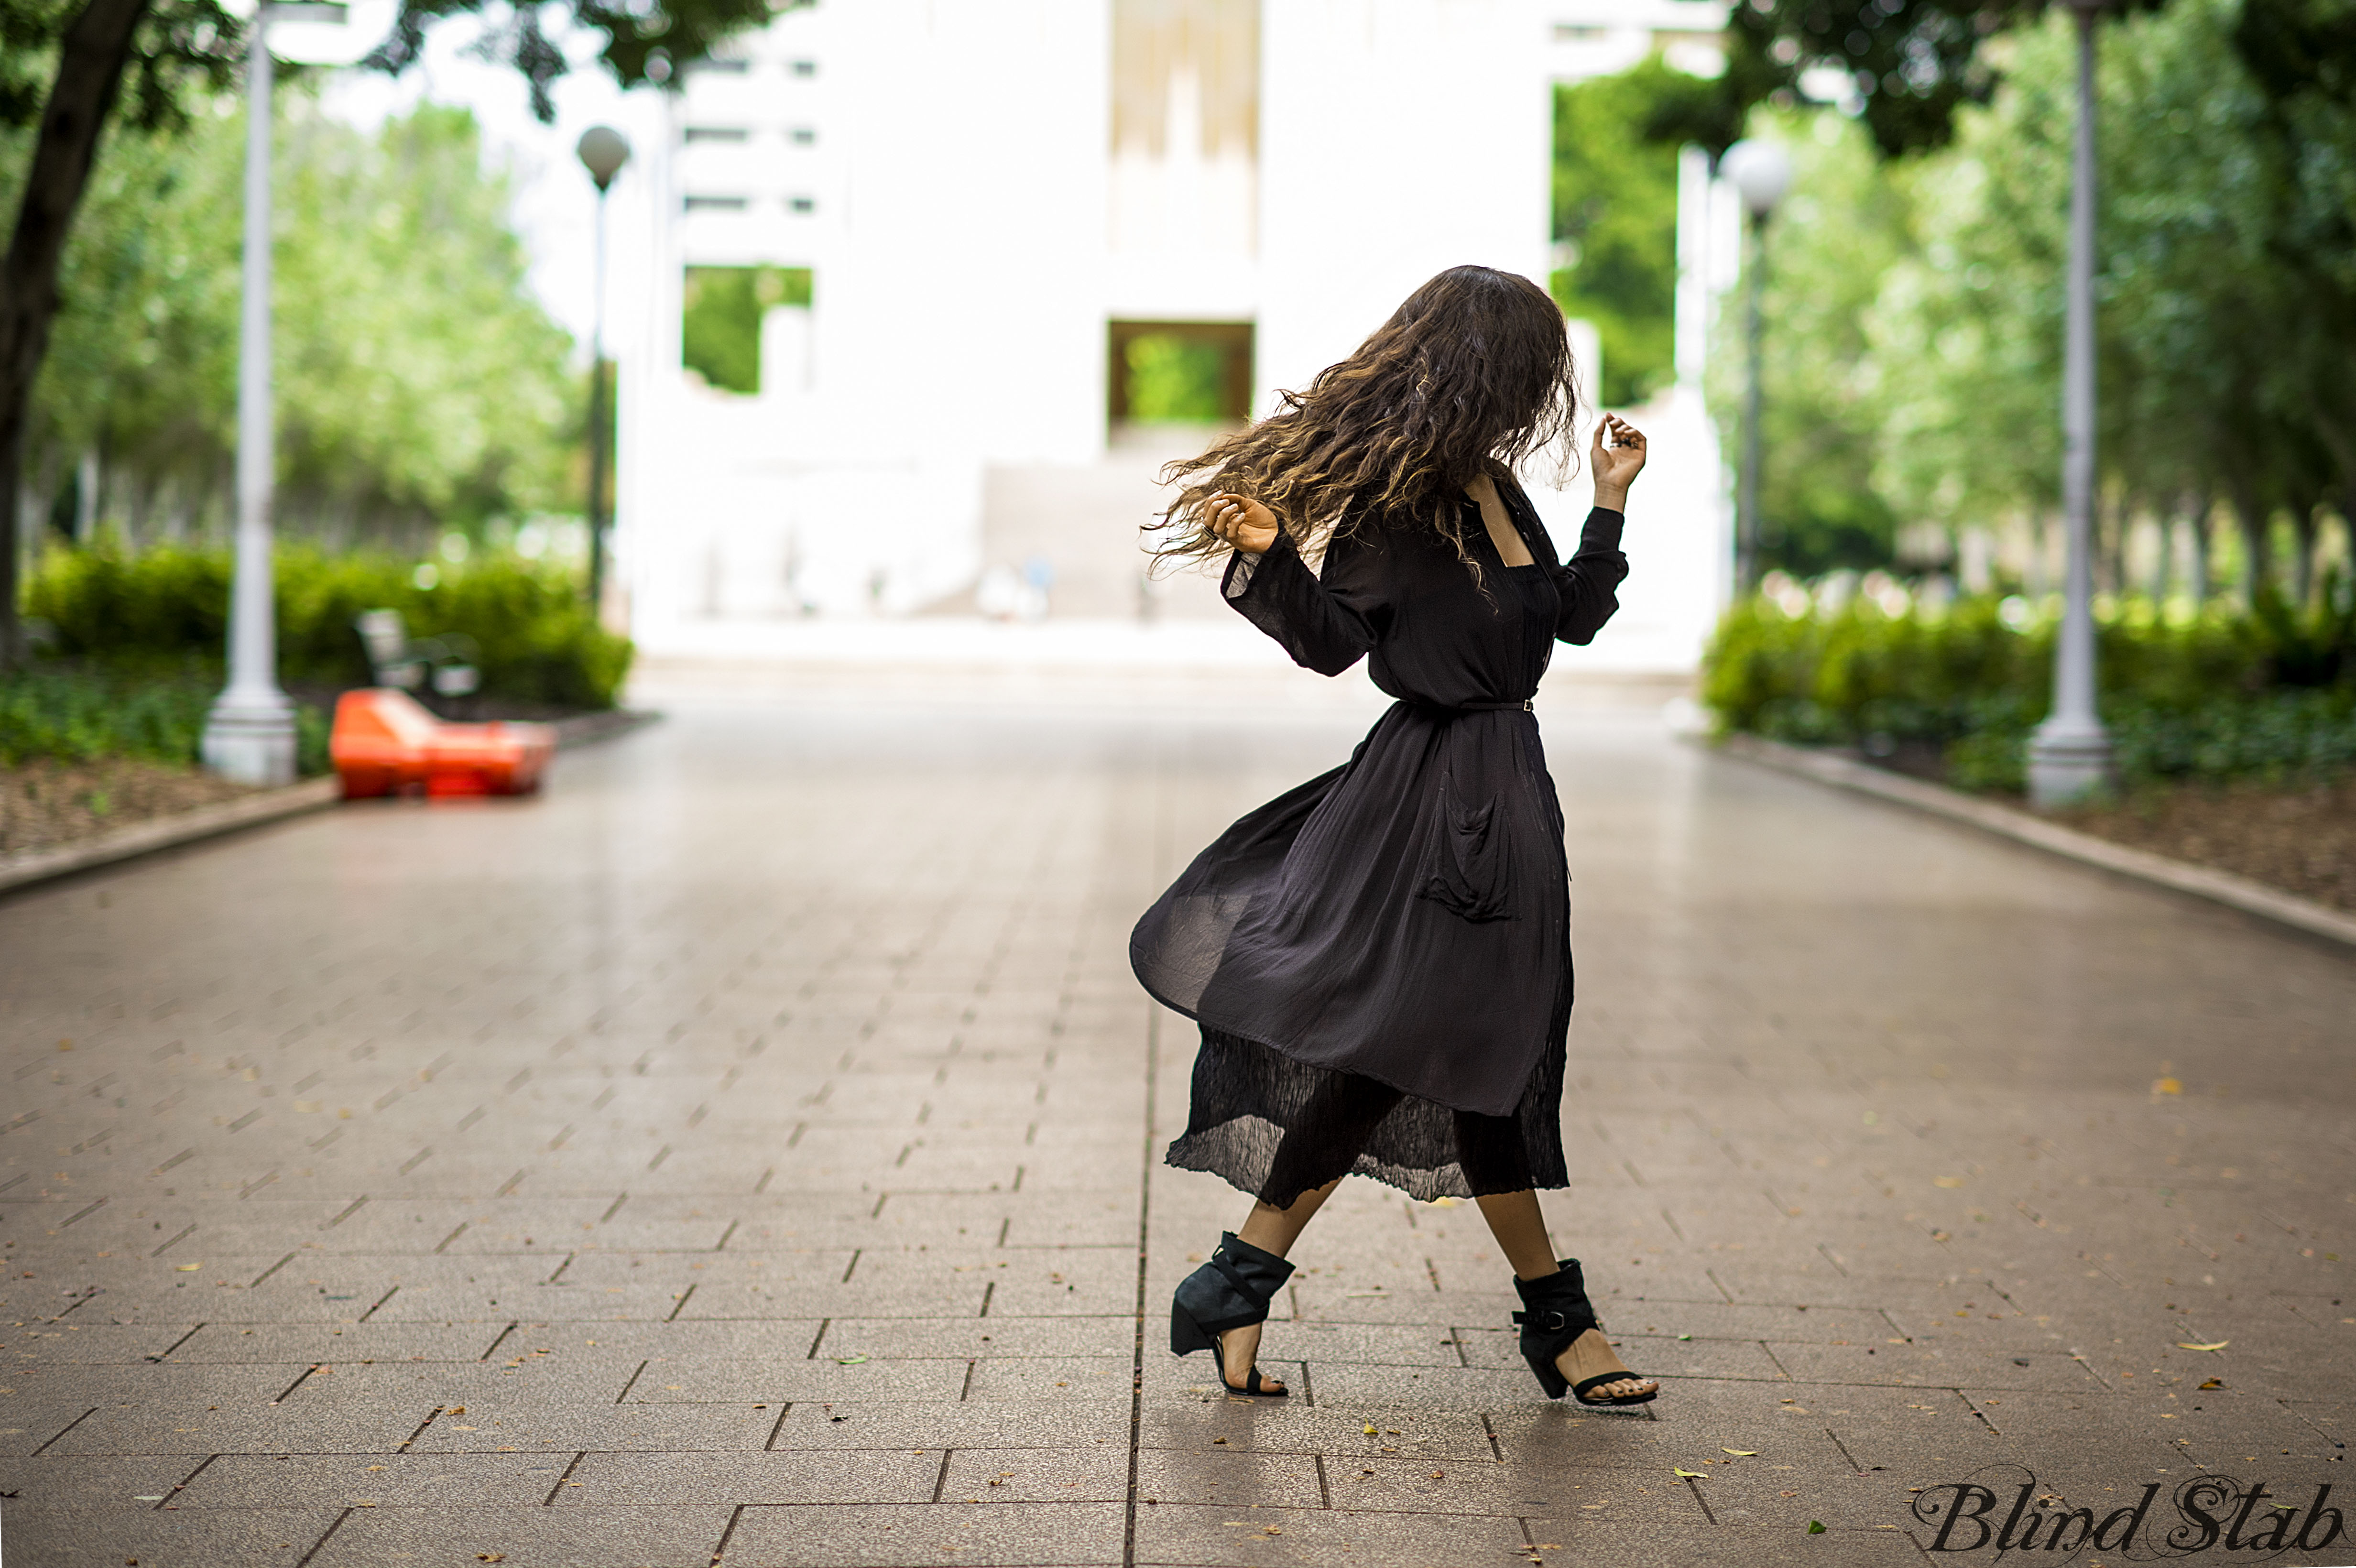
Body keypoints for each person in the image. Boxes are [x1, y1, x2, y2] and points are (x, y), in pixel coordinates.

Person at [1130, 265, 1658, 1408]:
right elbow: (1329, 646)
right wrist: (1270, 556)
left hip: (1508, 786)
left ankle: (1234, 1285)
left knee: (1430, 1052)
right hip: (1426, 803)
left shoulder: (1499, 490)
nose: (1540, 392)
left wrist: (1610, 498)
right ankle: (1560, 1320)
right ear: (1487, 370)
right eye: (1528, 368)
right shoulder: (1397, 508)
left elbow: (1567, 618)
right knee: (1463, 1052)